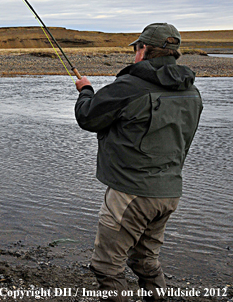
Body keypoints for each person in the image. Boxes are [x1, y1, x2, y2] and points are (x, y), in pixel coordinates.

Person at [74, 23, 203, 301]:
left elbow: (88, 117)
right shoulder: (192, 91)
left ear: (143, 49)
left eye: (137, 47)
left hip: (130, 193)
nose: (135, 53)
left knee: (107, 267)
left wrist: (85, 90)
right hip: (168, 193)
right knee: (145, 261)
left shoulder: (129, 86)